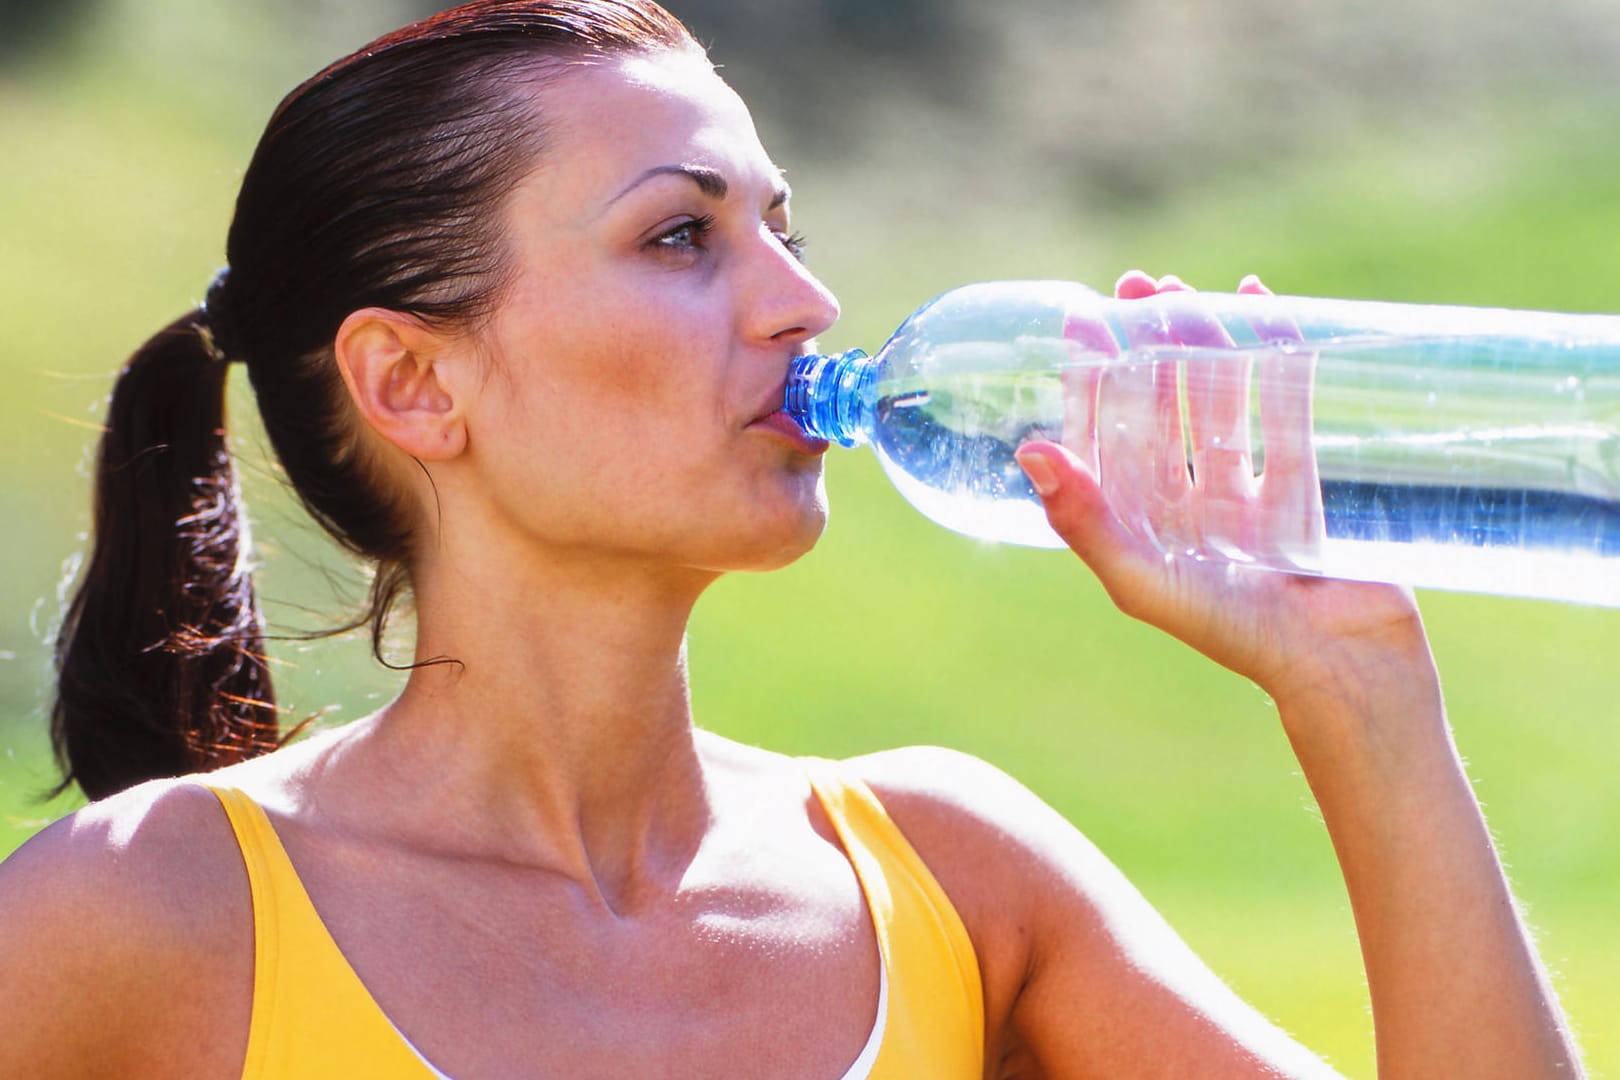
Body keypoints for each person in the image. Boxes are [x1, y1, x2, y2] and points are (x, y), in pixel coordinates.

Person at [0, 1, 1584, 1076]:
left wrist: (1364, 692)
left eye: (783, 225)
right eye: (681, 236)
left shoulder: (954, 882)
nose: (805, 302)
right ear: (412, 381)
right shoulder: (140, 917)